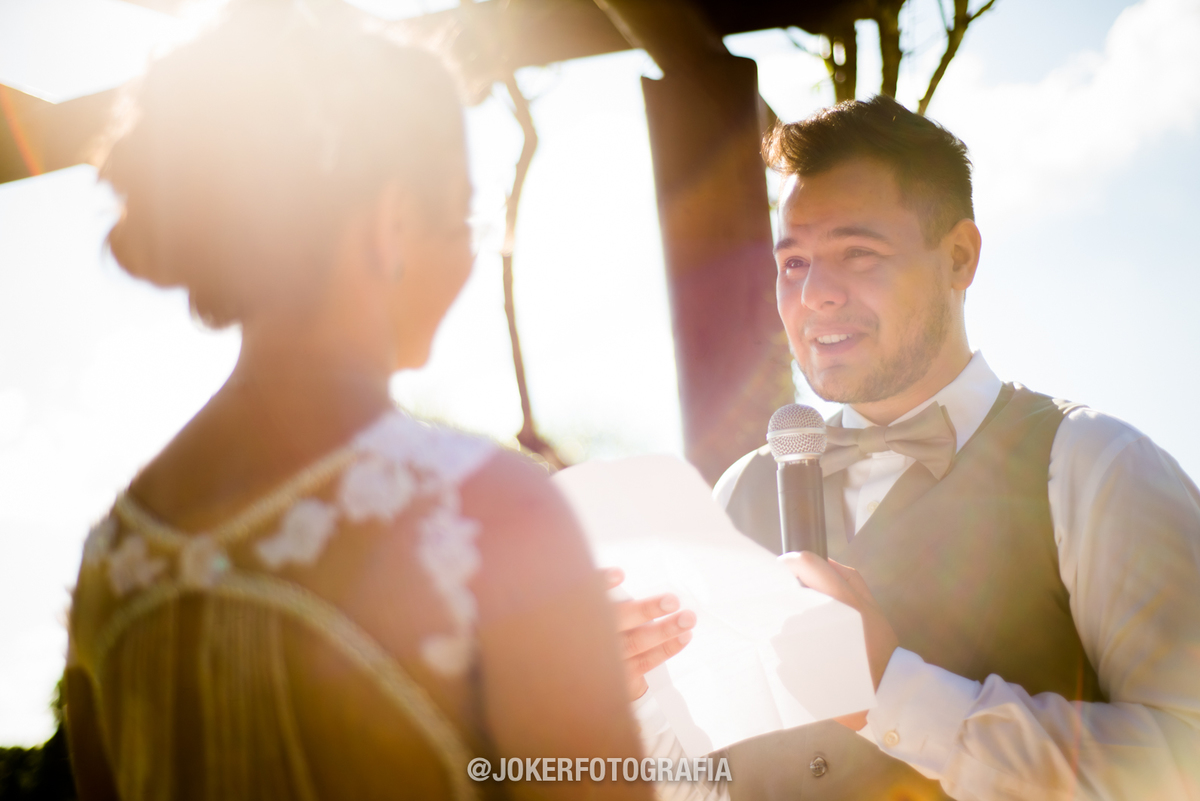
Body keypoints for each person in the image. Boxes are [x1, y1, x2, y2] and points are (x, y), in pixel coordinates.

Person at [63, 6, 650, 800]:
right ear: (392, 220)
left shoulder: (112, 555)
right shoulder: (490, 513)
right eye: (464, 212)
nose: (476, 247)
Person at [616, 96, 1200, 800]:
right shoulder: (736, 495)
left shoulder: (1096, 465)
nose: (816, 295)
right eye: (794, 262)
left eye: (857, 253)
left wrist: (891, 693)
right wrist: (636, 691)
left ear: (959, 257)